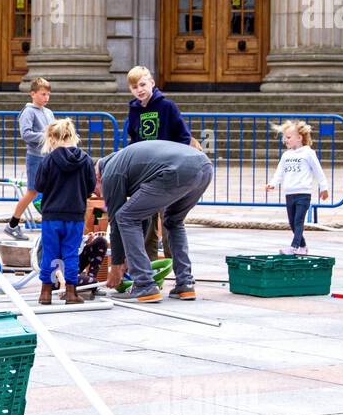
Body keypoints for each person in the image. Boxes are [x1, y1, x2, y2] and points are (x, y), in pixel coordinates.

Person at [99, 139, 213, 303]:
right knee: (174, 221)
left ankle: (145, 285)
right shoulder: (127, 163)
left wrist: (116, 265)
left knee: (125, 216)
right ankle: (185, 284)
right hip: (205, 166)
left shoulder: (109, 172)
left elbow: (117, 221)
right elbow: (143, 218)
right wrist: (129, 258)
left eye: (95, 190)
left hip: (178, 169)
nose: (99, 195)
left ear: (98, 178)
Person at [124, 65, 199, 261]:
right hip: (145, 173)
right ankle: (149, 269)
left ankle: (175, 266)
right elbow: (134, 140)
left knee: (169, 222)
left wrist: (176, 162)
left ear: (152, 83)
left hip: (168, 172)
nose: (139, 90)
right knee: (146, 223)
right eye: (134, 87)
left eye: (142, 84)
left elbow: (183, 136)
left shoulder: (167, 106)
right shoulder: (133, 111)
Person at [32, 119, 97, 305]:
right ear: (72, 135)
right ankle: (70, 292)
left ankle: (45, 292)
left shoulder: (49, 160)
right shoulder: (85, 159)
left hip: (51, 215)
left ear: (52, 138)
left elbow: (39, 185)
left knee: (49, 253)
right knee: (71, 253)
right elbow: (90, 187)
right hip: (75, 214)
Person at [264, 119, 329, 255]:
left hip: (303, 194)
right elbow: (279, 172)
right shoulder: (286, 155)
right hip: (289, 193)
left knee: (298, 221)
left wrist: (324, 188)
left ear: (299, 138)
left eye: (288, 137)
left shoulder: (308, 153)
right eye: (284, 138)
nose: (285, 140)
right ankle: (303, 247)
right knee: (292, 223)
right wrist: (273, 184)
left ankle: (294, 247)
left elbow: (318, 171)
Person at [5, 77, 54, 240]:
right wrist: (47, 136)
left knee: (50, 191)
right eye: (43, 94)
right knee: (32, 192)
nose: (46, 98)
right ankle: (12, 224)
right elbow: (26, 134)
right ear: (33, 94)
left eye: (48, 94)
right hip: (35, 157)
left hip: (48, 157)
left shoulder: (48, 112)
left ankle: (50, 224)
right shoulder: (28, 112)